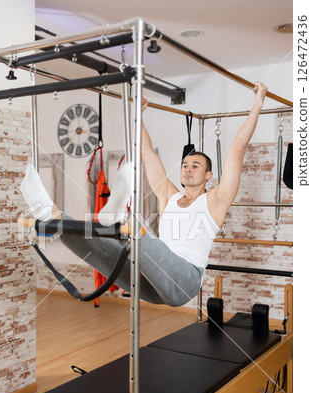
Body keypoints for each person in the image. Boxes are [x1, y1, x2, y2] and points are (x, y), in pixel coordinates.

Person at [21, 82, 268, 307]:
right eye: (185, 165)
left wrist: (257, 104)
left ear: (208, 176)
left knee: (138, 237)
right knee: (104, 253)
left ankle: (119, 220)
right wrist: (137, 117)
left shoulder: (216, 200)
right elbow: (148, 153)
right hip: (151, 281)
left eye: (195, 166)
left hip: (183, 282)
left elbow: (238, 149)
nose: (187, 169)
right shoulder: (168, 195)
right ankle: (51, 214)